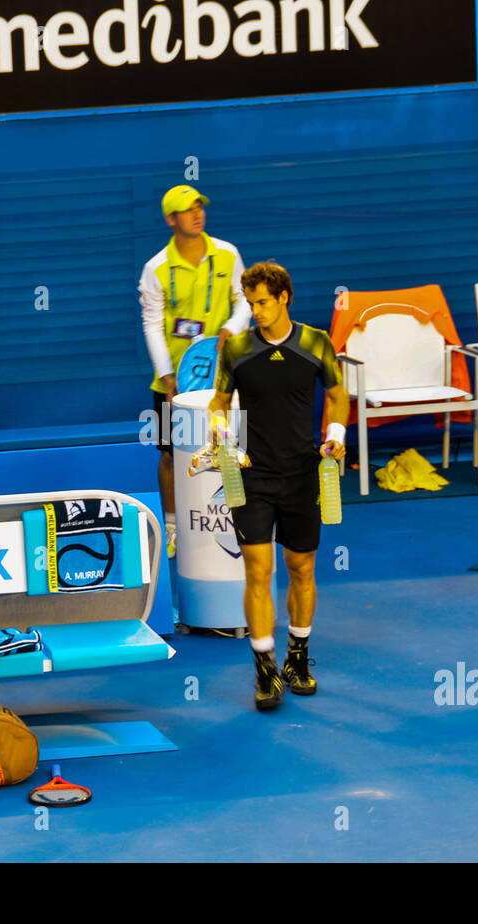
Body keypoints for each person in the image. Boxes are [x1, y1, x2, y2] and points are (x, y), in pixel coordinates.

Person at [208, 262, 348, 710]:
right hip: (249, 475)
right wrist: (218, 428)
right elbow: (219, 401)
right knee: (257, 571)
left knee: (302, 569)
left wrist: (337, 436)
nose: (256, 312)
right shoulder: (236, 350)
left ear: (284, 297)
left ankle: (298, 657)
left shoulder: (314, 343)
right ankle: (265, 667)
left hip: (303, 472)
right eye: (250, 304)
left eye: (263, 302)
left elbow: (338, 393)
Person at [139, 185, 252, 554]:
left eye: (200, 207)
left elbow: (245, 301)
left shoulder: (228, 254)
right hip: (176, 382)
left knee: (233, 448)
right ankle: (172, 527)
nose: (197, 214)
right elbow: (152, 324)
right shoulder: (156, 268)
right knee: (171, 454)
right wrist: (169, 376)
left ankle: (238, 519)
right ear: (171, 220)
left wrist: (231, 329)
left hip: (226, 376)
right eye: (187, 211)